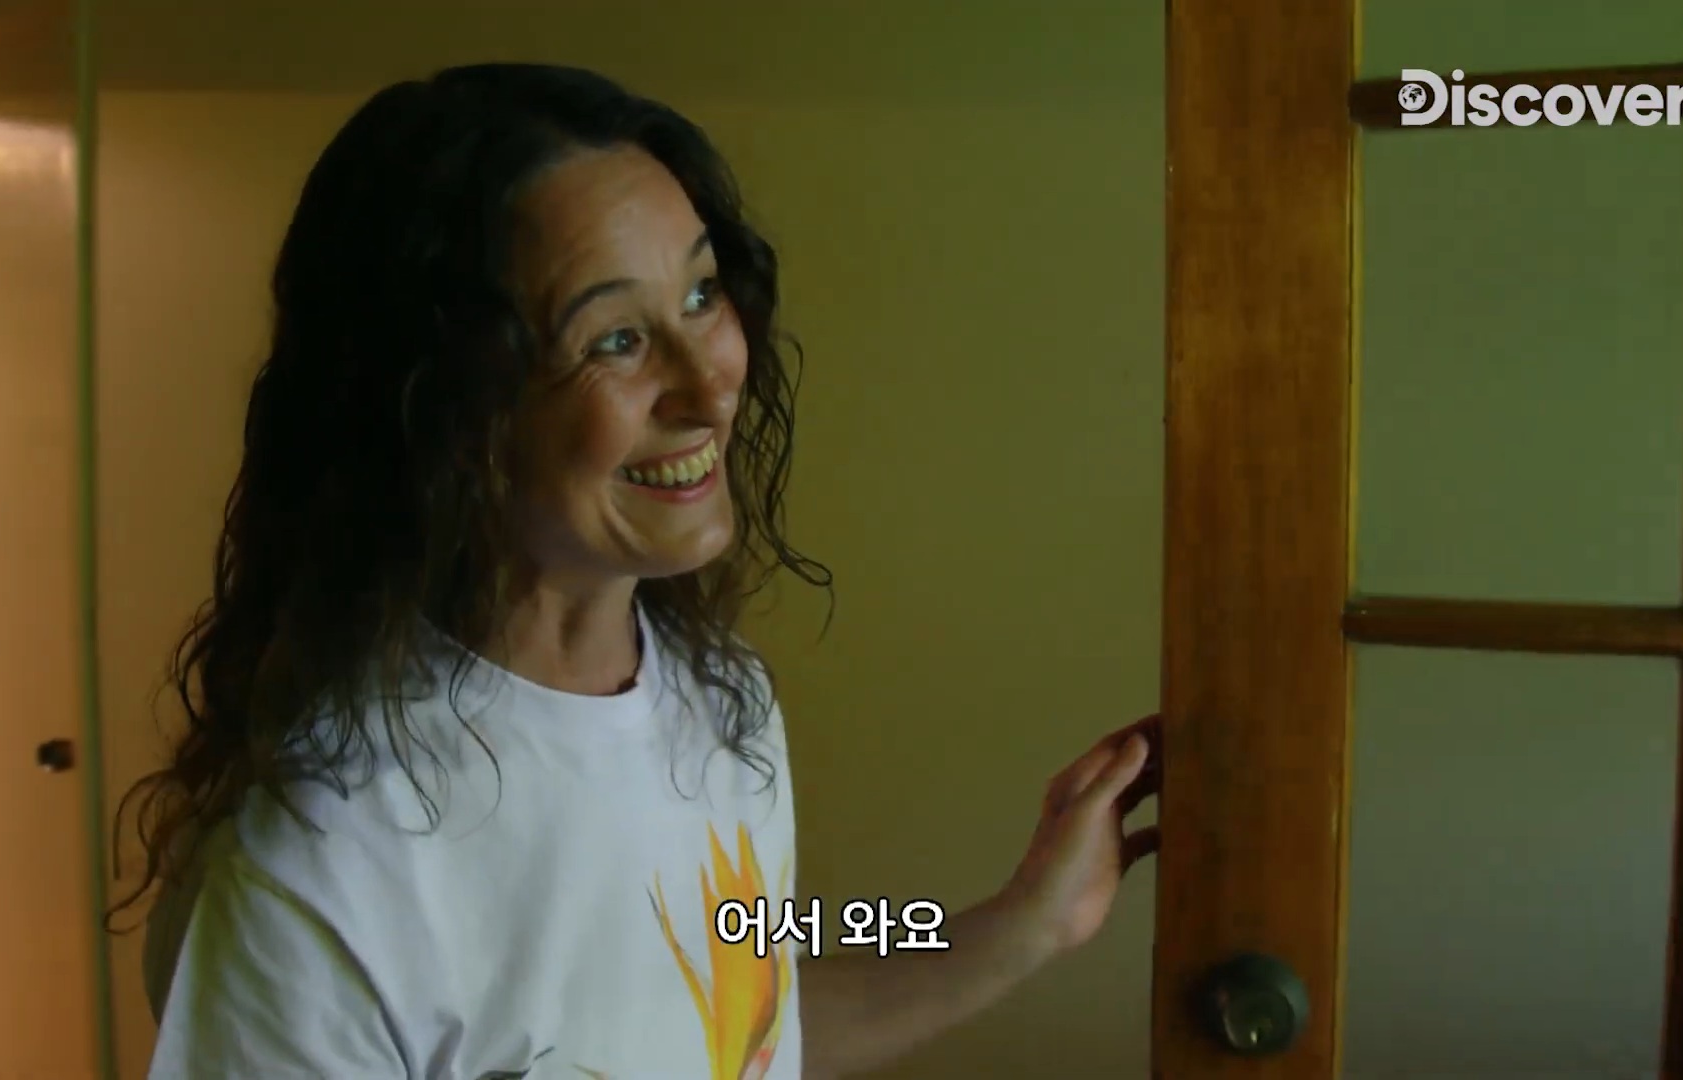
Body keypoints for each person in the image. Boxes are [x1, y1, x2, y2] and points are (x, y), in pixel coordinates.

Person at [115, 62, 1162, 1080]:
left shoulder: (723, 703)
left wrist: (1029, 919)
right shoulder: (323, 864)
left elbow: (746, 1006)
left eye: (702, 293)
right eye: (615, 339)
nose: (709, 384)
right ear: (441, 412)